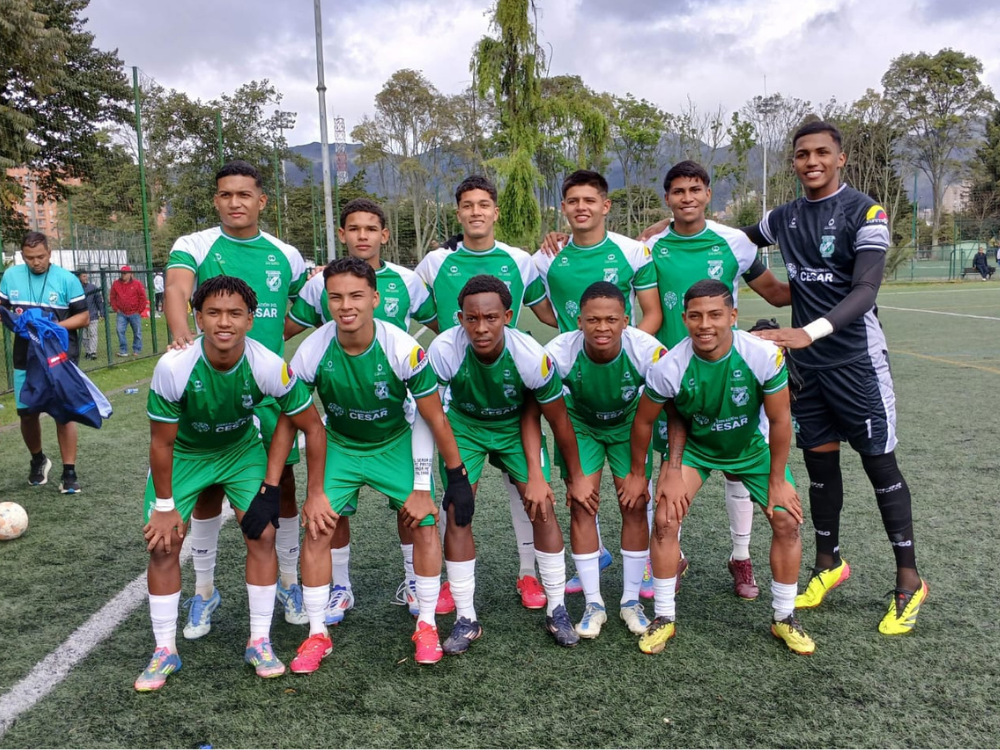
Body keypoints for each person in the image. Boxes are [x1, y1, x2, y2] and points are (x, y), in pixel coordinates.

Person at [744, 120, 928, 635]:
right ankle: (829, 565)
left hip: (855, 365)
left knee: (880, 469)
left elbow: (866, 289)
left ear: (840, 158)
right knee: (821, 471)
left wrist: (810, 331)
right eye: (802, 154)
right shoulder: (783, 217)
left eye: (822, 152)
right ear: (794, 162)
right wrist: (656, 234)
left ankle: (909, 581)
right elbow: (733, 244)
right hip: (809, 374)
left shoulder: (865, 211)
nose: (812, 161)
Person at [135, 275, 327, 692]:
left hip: (241, 451)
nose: (225, 322)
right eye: (214, 313)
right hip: (185, 453)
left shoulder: (267, 365)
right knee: (163, 542)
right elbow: (161, 444)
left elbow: (308, 425)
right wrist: (165, 506)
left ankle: (259, 640)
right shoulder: (173, 367)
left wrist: (288, 490)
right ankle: (164, 649)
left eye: (235, 313)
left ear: (251, 320)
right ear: (197, 318)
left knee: (263, 533)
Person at [280, 257, 474, 670]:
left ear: (374, 297)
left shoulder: (402, 347)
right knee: (317, 524)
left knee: (423, 522)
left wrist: (437, 481)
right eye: (335, 297)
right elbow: (291, 416)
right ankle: (317, 633)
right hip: (342, 446)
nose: (345, 305)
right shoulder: (313, 349)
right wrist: (300, 489)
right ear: (326, 302)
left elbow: (432, 416)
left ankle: (425, 624)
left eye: (355, 295)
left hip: (395, 442)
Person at [621, 279, 814, 655]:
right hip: (697, 448)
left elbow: (780, 421)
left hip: (749, 447)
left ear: (733, 316)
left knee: (786, 520)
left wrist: (778, 480)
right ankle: (663, 616)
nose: (705, 324)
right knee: (664, 520)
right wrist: (659, 470)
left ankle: (784, 617)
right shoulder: (670, 366)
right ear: (685, 318)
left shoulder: (762, 355)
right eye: (695, 316)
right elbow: (644, 422)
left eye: (715, 315)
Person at [164, 159, 309, 637]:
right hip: (213, 383)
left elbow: (298, 312)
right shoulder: (195, 244)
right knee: (207, 489)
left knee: (282, 484)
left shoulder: (285, 255)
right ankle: (204, 592)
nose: (234, 202)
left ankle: (289, 581)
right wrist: (184, 338)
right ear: (216, 200)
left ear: (261, 200)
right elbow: (177, 289)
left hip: (266, 388)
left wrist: (267, 347)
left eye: (244, 194)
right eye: (226, 194)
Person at [284, 198, 447, 623]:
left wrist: (455, 473)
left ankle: (415, 581)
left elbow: (442, 329)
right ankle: (339, 588)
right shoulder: (315, 337)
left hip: (397, 428)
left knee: (416, 512)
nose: (346, 304)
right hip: (341, 434)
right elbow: (285, 334)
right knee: (324, 518)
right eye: (336, 298)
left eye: (370, 228)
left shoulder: (406, 299)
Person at [427, 275, 598, 653]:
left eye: (490, 318)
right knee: (458, 510)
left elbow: (557, 420)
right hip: (465, 427)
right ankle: (466, 618)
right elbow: (432, 413)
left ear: (507, 316)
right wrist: (453, 475)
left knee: (542, 507)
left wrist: (572, 477)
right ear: (460, 318)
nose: (481, 327)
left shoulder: (530, 356)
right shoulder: (444, 350)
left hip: (515, 427)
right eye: (472, 319)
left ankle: (557, 608)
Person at [416, 175, 559, 612]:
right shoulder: (434, 263)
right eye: (467, 205)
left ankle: (530, 575)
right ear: (457, 213)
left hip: (514, 399)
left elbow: (547, 312)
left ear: (495, 211)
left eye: (483, 204)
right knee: (457, 497)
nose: (475, 211)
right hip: (462, 397)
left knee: (528, 493)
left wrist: (599, 327)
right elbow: (405, 301)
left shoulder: (520, 261)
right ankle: (448, 583)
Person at [544, 282, 665, 639]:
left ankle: (630, 601)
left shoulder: (648, 351)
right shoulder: (558, 353)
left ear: (626, 320)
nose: (602, 328)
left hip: (631, 423)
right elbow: (553, 416)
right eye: (593, 320)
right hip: (580, 426)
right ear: (578, 321)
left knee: (635, 502)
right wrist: (574, 475)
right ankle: (594, 603)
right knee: (582, 506)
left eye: (611, 319)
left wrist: (641, 472)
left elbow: (665, 407)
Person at [0, 232, 89, 492]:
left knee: (63, 414)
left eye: (40, 256)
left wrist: (52, 327)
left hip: (59, 358)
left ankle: (69, 473)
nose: (35, 262)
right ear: (22, 256)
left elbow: (83, 317)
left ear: (49, 253)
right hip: (24, 358)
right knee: (27, 414)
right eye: (29, 258)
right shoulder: (10, 277)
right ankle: (38, 460)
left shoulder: (67, 280)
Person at [109, 265, 147, 356]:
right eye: (122, 273)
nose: (123, 275)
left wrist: (139, 310)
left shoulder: (137, 284)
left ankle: (136, 350)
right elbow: (112, 297)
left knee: (137, 332)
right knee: (119, 330)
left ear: (130, 274)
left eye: (125, 273)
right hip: (121, 312)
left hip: (134, 312)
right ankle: (123, 350)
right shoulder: (116, 284)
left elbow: (143, 297)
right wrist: (116, 308)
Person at [76, 270, 105, 361]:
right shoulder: (75, 289)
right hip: (81, 317)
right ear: (79, 277)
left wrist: (102, 312)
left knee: (93, 334)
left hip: (92, 315)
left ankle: (93, 352)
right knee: (84, 336)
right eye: (83, 276)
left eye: (86, 276)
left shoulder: (92, 287)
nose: (86, 278)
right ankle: (88, 351)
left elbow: (99, 301)